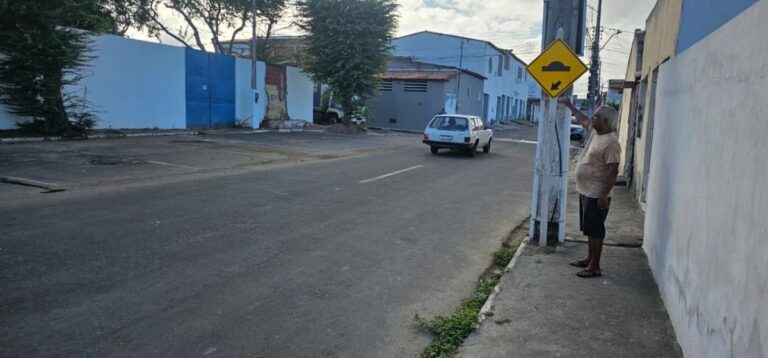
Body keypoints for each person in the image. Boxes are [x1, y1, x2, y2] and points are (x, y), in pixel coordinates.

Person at [560, 98, 621, 278]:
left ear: (606, 121)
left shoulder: (611, 143)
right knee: (589, 229)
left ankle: (595, 267)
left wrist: (603, 195)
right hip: (586, 190)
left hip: (597, 194)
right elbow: (583, 119)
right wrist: (570, 106)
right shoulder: (596, 132)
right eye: (594, 116)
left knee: (596, 231)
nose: (592, 119)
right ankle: (589, 258)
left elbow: (613, 171)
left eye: (597, 116)